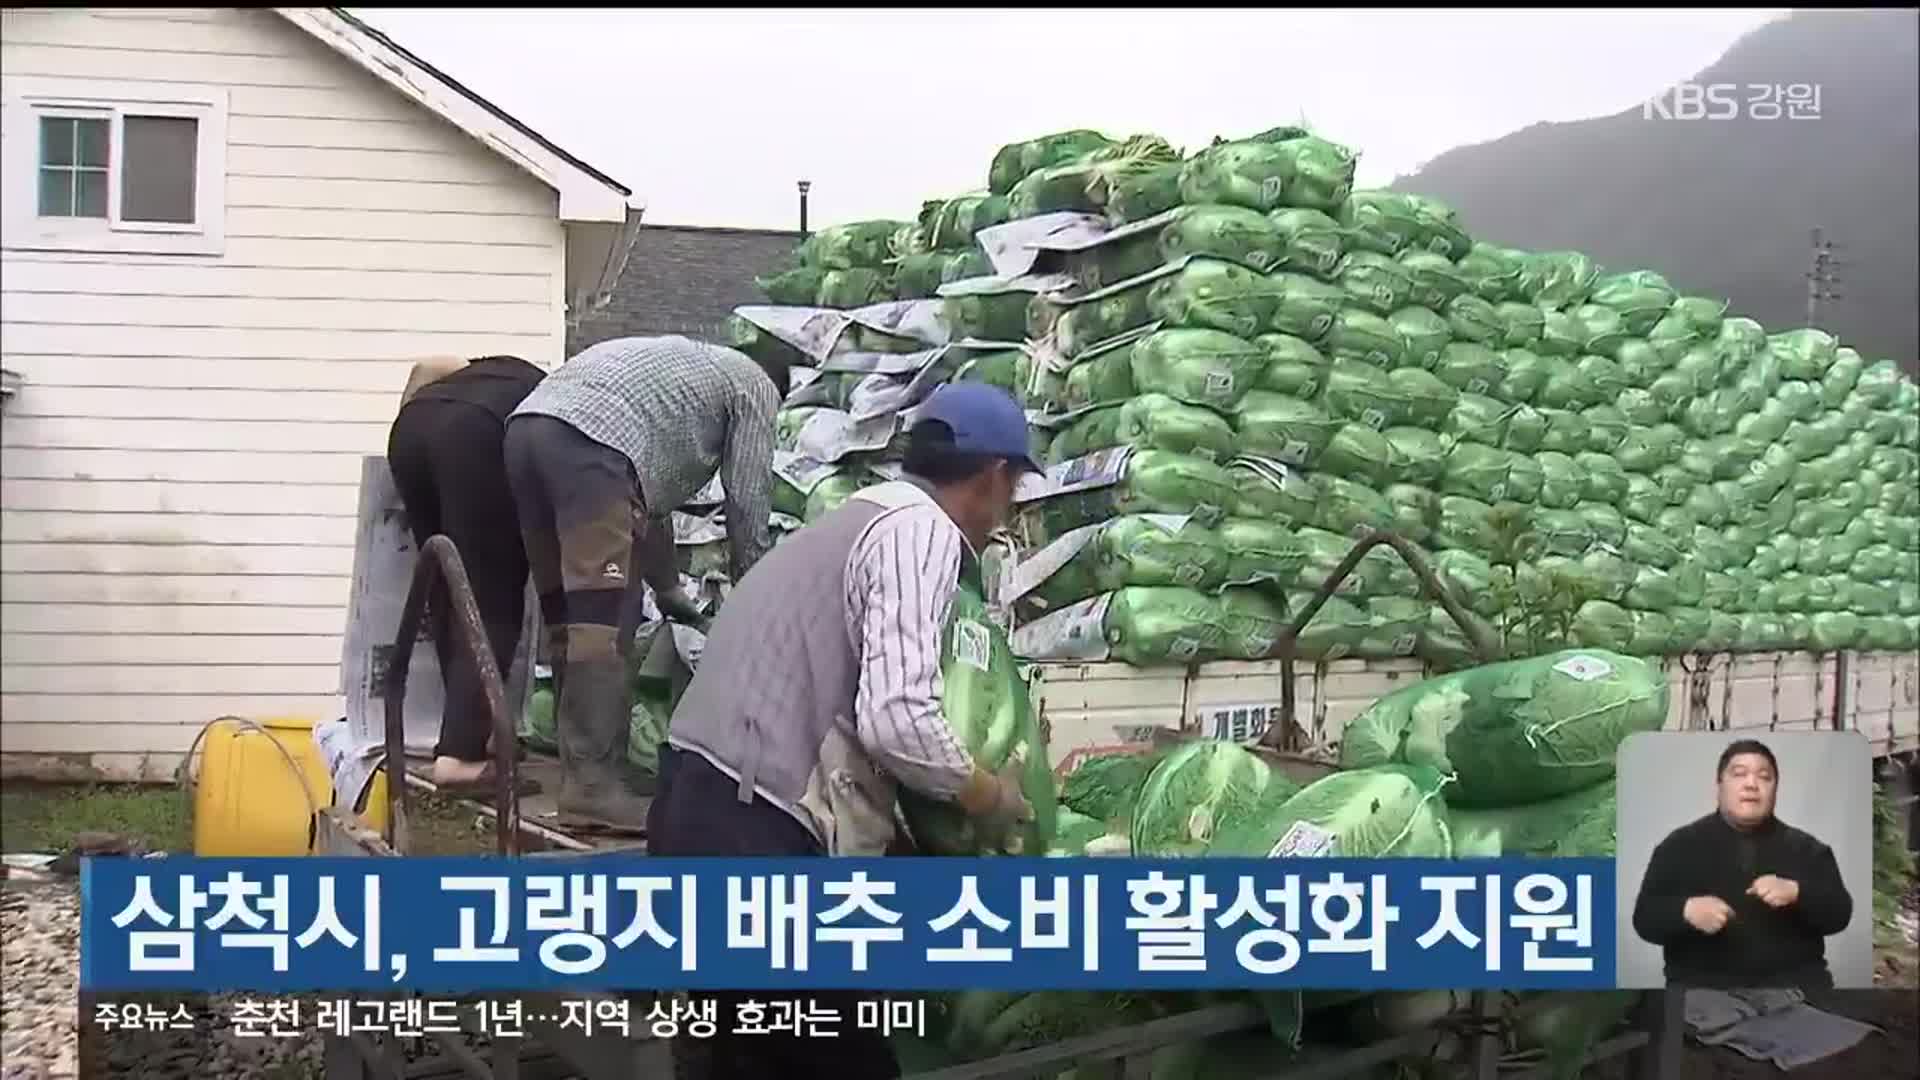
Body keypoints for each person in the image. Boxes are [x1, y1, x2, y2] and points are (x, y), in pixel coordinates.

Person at [646, 381, 1042, 1080]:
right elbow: (897, 720)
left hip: (694, 798)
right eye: (1010, 493)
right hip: (756, 830)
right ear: (993, 478)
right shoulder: (918, 533)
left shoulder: (851, 519)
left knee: (740, 1054)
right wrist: (986, 796)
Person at [503, 334, 785, 833]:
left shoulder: (686, 374)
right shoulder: (755, 386)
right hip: (590, 447)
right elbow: (747, 499)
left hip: (528, 431)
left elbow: (645, 502)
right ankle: (592, 790)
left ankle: (582, 774)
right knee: (603, 626)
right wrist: (759, 590)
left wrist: (670, 589)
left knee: (570, 617)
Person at [384, 355, 548, 797]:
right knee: (492, 594)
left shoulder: (481, 372)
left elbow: (427, 366)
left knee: (445, 584)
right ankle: (459, 758)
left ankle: (477, 732)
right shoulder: (554, 393)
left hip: (409, 431)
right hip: (475, 438)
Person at [1631, 737, 1853, 990]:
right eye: (1739, 774)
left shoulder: (1809, 849)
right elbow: (1644, 919)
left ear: (1775, 789)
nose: (1751, 784)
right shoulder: (1679, 846)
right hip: (1702, 995)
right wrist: (1685, 910)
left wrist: (1797, 893)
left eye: (1764, 777)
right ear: (1719, 785)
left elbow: (1840, 914)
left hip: (1797, 991)